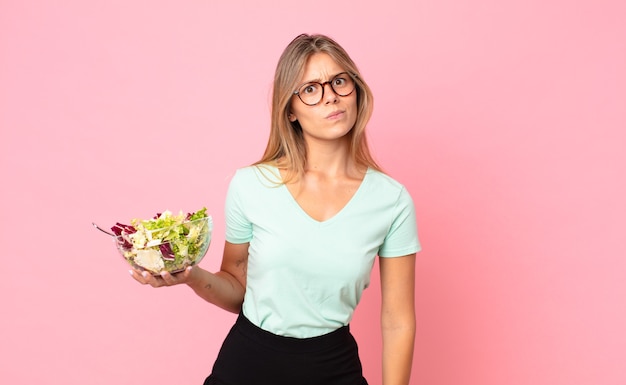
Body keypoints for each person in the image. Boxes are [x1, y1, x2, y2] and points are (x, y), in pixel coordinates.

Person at [130, 33, 421, 385]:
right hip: (247, 365)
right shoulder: (250, 185)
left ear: (356, 90)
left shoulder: (391, 200)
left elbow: (397, 319)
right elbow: (238, 290)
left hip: (333, 366)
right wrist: (191, 276)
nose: (330, 95)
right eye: (311, 89)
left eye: (339, 81)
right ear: (291, 110)